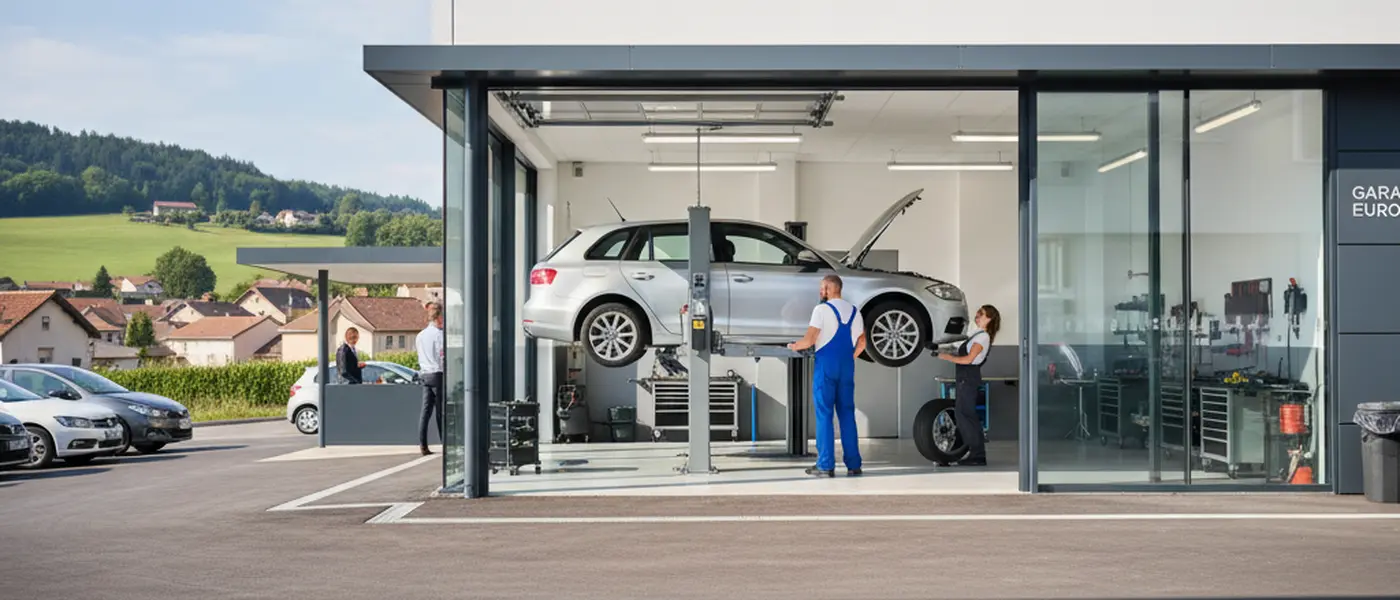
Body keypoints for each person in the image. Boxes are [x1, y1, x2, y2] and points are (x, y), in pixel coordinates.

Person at [787, 274, 865, 477]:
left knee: (824, 414)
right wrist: (851, 356)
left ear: (831, 289)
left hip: (826, 367)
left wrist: (794, 346)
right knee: (847, 414)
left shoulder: (821, 309)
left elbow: (810, 339)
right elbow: (863, 342)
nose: (821, 291)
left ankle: (825, 465)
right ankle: (854, 464)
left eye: (823, 288)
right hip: (847, 366)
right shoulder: (855, 312)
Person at [935, 304, 1001, 467]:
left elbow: (968, 360)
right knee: (965, 415)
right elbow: (957, 346)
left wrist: (945, 357)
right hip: (964, 378)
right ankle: (972, 452)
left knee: (965, 416)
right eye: (977, 313)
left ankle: (977, 454)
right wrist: (938, 347)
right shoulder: (975, 334)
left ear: (989, 319)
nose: (977, 316)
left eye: (981, 314)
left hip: (968, 377)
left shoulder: (983, 337)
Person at [415, 301, 446, 456]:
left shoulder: (420, 336)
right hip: (437, 374)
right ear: (439, 317)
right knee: (441, 411)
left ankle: (423, 444)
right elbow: (442, 356)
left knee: (425, 411)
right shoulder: (439, 335)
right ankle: (444, 443)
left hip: (425, 374)